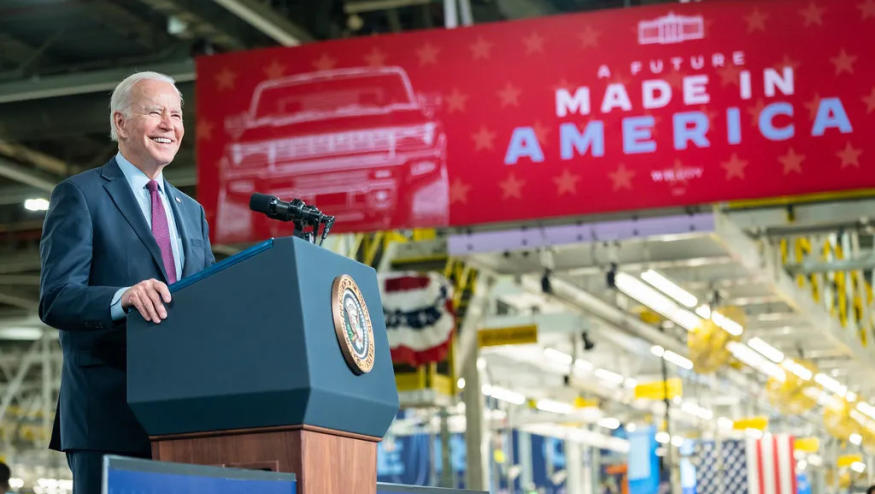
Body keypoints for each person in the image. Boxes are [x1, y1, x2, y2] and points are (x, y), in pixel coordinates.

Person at [39, 71, 215, 493]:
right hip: (108, 417)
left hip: (183, 414)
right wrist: (122, 297)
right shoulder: (80, 195)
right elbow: (57, 299)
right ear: (120, 123)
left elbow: (208, 295)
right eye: (154, 113)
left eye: (176, 114)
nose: (169, 125)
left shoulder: (191, 211)